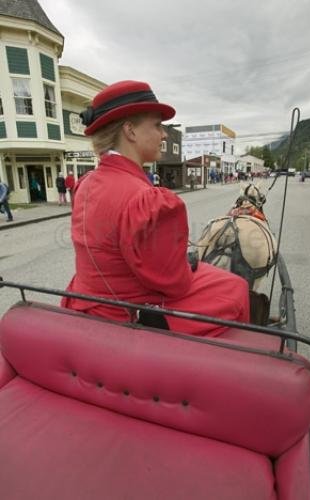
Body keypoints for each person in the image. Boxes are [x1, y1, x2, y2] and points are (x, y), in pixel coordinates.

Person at [61, 80, 249, 337]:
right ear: (130, 131)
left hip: (85, 298)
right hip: (126, 310)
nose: (164, 135)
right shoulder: (144, 198)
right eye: (157, 125)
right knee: (236, 287)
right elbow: (175, 284)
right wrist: (186, 263)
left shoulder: (85, 184)